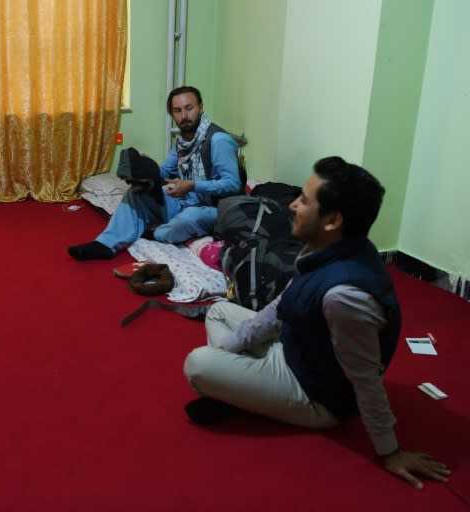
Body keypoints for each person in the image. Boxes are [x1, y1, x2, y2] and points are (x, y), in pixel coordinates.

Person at [182, 156, 450, 489]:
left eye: (305, 200)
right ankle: (236, 388)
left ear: (332, 220)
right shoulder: (328, 250)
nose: (293, 204)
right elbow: (281, 307)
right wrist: (230, 351)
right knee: (220, 310)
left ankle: (235, 390)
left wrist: (391, 451)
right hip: (296, 349)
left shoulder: (345, 295)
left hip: (315, 396)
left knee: (197, 365)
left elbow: (365, 379)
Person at [68, 85, 242, 260]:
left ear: (201, 107)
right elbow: (165, 170)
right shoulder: (183, 140)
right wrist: (145, 168)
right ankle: (105, 244)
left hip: (214, 208)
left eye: (189, 108)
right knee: (137, 193)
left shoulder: (219, 140)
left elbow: (233, 184)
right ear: (172, 114)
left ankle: (155, 233)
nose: (184, 116)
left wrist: (192, 185)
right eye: (178, 111)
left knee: (189, 217)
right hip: (186, 201)